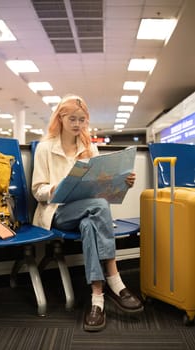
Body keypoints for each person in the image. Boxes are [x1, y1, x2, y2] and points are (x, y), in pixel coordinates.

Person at [32, 94, 143, 332]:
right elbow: (37, 190)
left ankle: (97, 298)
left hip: (86, 213)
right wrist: (54, 188)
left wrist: (123, 181)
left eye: (82, 120)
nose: (77, 124)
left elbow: (101, 185)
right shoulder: (44, 148)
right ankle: (115, 279)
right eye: (72, 118)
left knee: (90, 224)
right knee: (100, 207)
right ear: (60, 118)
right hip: (57, 213)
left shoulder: (89, 148)